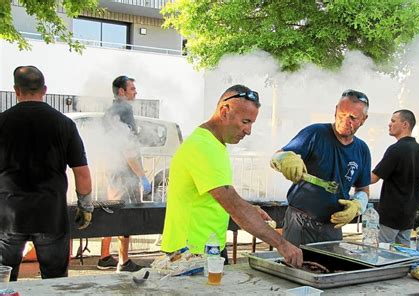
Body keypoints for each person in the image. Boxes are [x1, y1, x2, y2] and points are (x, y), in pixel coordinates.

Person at [161, 84, 303, 267]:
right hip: (189, 253)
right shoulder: (203, 147)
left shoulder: (215, 144)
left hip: (208, 248)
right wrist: (282, 244)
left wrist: (249, 208)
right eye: (245, 122)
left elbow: (219, 196)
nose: (249, 130)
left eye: (252, 123)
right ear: (225, 111)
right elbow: (233, 205)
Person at [0, 66, 93, 281]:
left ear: (16, 90)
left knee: (2, 280)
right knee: (55, 282)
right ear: (45, 89)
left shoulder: (2, 122)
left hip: (8, 215)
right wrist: (85, 206)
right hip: (50, 214)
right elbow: (81, 172)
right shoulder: (64, 124)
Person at [270, 89, 371, 247]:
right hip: (300, 221)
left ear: (364, 119)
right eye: (342, 114)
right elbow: (277, 156)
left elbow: (363, 189)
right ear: (335, 110)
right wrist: (284, 158)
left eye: (353, 118)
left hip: (333, 226)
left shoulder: (362, 150)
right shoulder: (315, 133)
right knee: (294, 267)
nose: (345, 121)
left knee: (328, 269)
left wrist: (357, 205)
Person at [97, 75, 152, 272]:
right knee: (125, 215)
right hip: (123, 172)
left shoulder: (110, 111)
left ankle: (104, 256)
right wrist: (142, 176)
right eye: (132, 88)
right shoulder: (125, 110)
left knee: (111, 210)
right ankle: (124, 260)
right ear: (121, 91)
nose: (135, 92)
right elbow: (127, 146)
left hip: (112, 169)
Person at [371, 110, 419, 245]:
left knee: (385, 251)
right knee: (403, 252)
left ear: (405, 124)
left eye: (393, 121)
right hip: (409, 215)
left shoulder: (395, 149)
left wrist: (349, 178)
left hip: (391, 214)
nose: (389, 124)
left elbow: (373, 178)